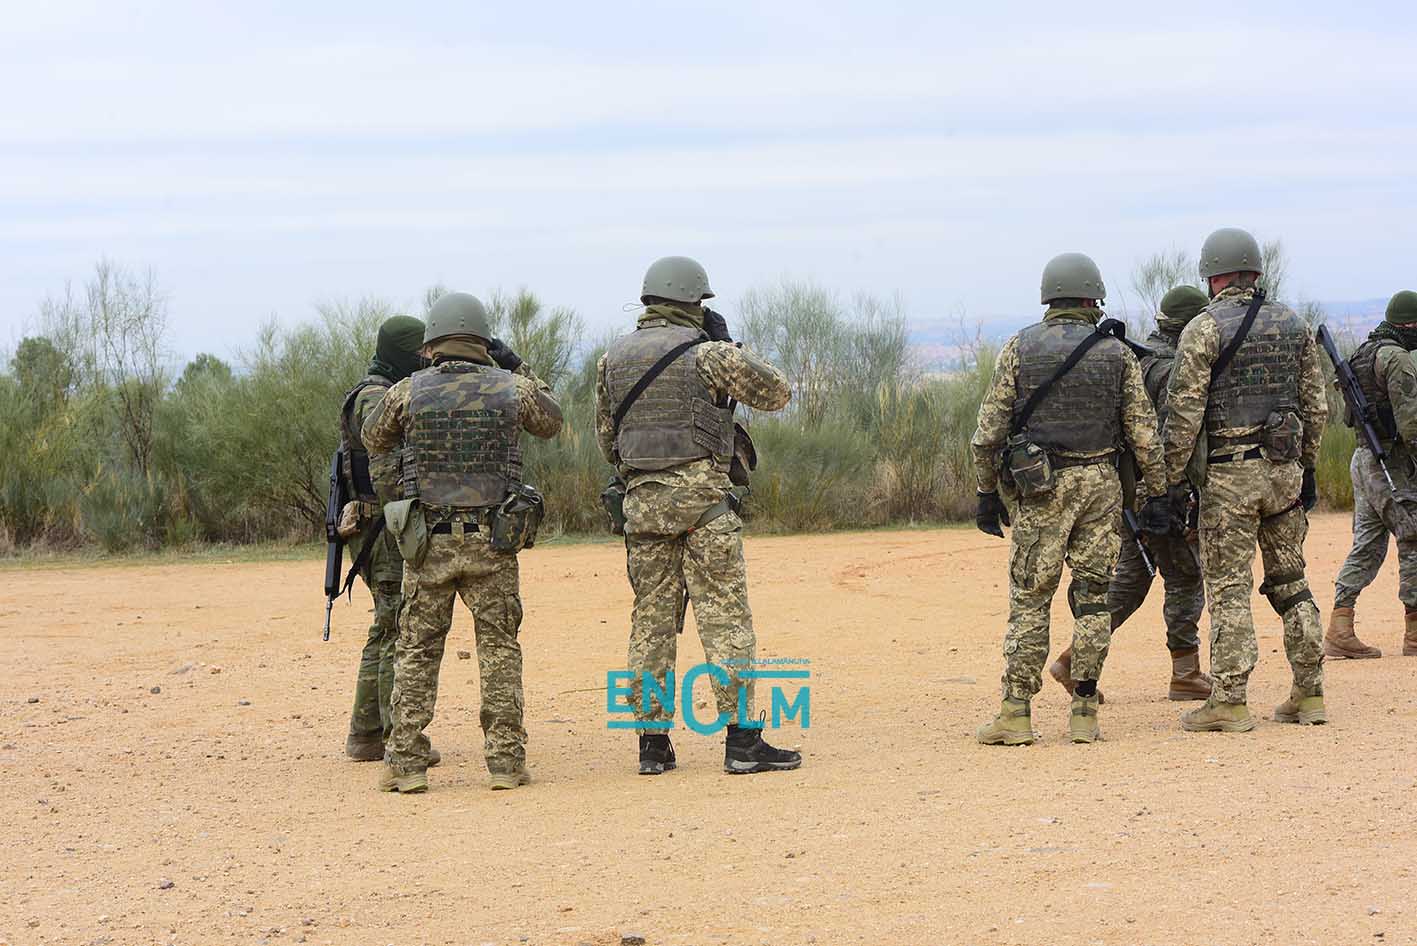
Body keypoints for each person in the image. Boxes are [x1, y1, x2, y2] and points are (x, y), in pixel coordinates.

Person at [595, 255, 801, 775]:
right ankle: (742, 743)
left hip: (642, 510)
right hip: (704, 509)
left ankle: (652, 745)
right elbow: (777, 392)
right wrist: (729, 347)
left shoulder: (611, 358)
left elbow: (606, 441)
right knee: (725, 619)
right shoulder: (708, 354)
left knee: (650, 625)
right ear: (695, 301)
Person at [362, 291, 563, 793]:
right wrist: (516, 363)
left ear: (431, 343)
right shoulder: (513, 389)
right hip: (494, 542)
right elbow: (553, 419)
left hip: (427, 544)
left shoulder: (407, 392)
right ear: (483, 342)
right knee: (500, 649)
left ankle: (406, 764)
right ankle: (505, 763)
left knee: (417, 649)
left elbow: (372, 437)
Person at [972, 252, 1167, 746]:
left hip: (1040, 489)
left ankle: (1016, 713)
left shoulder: (1020, 347)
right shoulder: (1117, 354)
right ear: (1093, 298)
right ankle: (1084, 710)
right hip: (1101, 486)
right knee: (1094, 599)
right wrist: (1159, 493)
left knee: (1030, 599)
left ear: (1048, 296)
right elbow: (1145, 435)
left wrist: (986, 492)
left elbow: (987, 434)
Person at [1162, 227, 1328, 732]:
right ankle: (1310, 693)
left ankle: (1230, 700)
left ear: (1213, 277)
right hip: (1283, 474)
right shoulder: (1294, 324)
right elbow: (1315, 407)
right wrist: (1307, 467)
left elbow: (1184, 415)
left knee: (1229, 587)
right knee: (1291, 581)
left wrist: (1170, 480)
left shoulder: (1203, 329)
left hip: (1229, 478)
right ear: (1255, 271)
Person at [1049, 285, 1213, 701]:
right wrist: (1176, 494)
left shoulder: (1138, 359)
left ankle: (1074, 661)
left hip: (1131, 490)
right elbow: (1175, 439)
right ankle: (1186, 673)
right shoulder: (1173, 369)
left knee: (1133, 579)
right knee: (1185, 576)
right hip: (1162, 491)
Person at [338, 314, 432, 762]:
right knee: (396, 628)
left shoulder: (374, 390)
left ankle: (366, 733)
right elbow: (387, 458)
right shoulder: (375, 397)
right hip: (383, 527)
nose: (426, 360)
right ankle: (396, 738)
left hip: (379, 526)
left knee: (385, 627)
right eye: (420, 354)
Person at [1329, 290, 1417, 658]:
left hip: (1364, 459)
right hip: (1391, 462)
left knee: (1367, 544)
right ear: (1410, 324)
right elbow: (1411, 425)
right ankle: (1414, 633)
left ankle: (1340, 628)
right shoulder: (1397, 359)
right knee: (1414, 538)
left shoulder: (1364, 352)